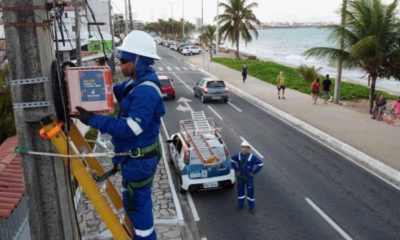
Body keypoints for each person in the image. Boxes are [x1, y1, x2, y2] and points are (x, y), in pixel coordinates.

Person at [74, 30, 165, 240]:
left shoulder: (146, 91)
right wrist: (90, 79)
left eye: (124, 60)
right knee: (133, 204)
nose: (121, 64)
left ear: (138, 60)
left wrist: (93, 121)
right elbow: (114, 90)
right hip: (134, 158)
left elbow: (131, 128)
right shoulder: (135, 83)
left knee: (139, 212)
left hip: (139, 160)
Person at [230, 141, 263, 214]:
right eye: (243, 147)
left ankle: (251, 207)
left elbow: (260, 164)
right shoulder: (238, 155)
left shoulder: (252, 157)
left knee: (250, 193)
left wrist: (254, 172)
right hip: (240, 177)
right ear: (241, 148)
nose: (244, 149)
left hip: (249, 178)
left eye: (246, 148)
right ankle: (240, 205)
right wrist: (236, 169)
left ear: (249, 149)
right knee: (240, 192)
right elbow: (231, 160)